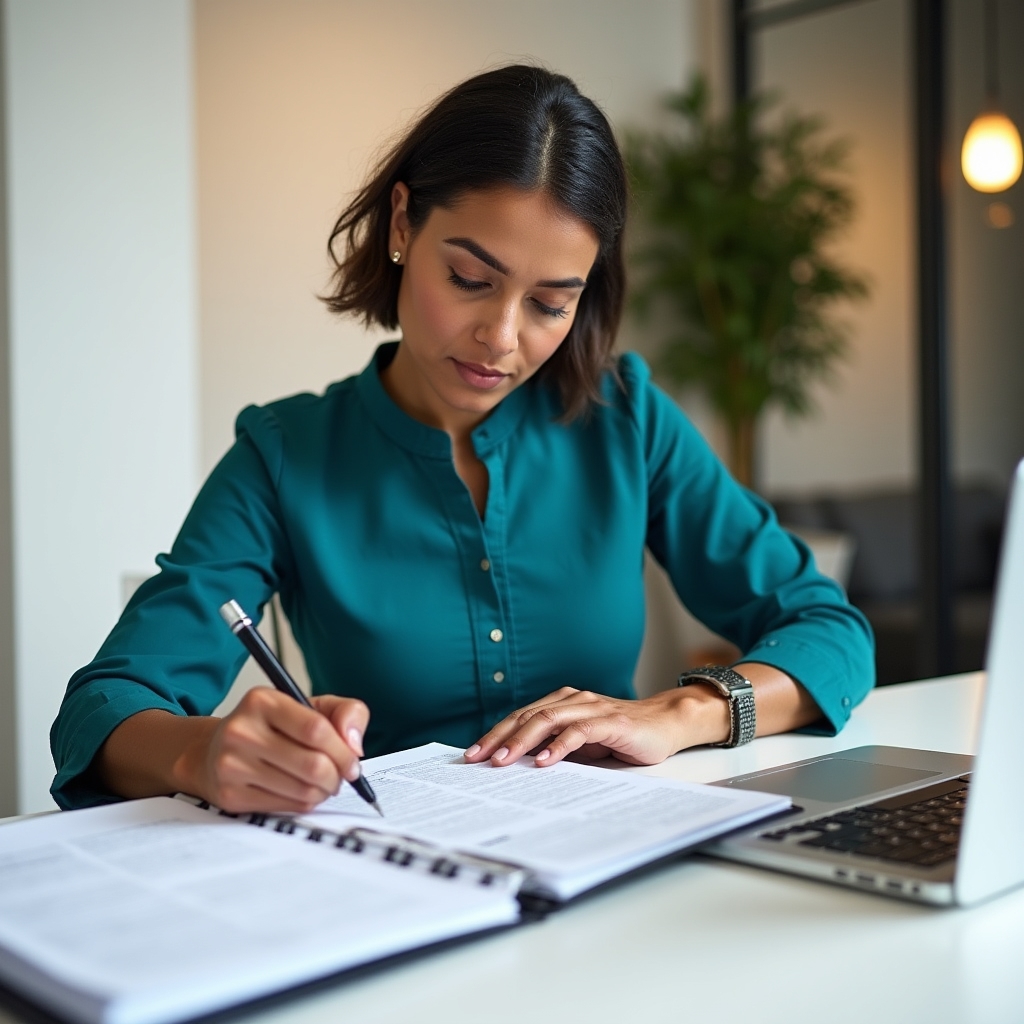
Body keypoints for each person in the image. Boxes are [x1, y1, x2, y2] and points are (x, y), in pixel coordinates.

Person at [51, 64, 873, 814]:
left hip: (609, 856)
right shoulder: (284, 454)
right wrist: (204, 751)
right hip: (396, 872)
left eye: (550, 304)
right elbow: (104, 706)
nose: (501, 338)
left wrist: (681, 712)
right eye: (470, 279)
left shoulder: (627, 419)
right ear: (401, 224)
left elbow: (828, 631)